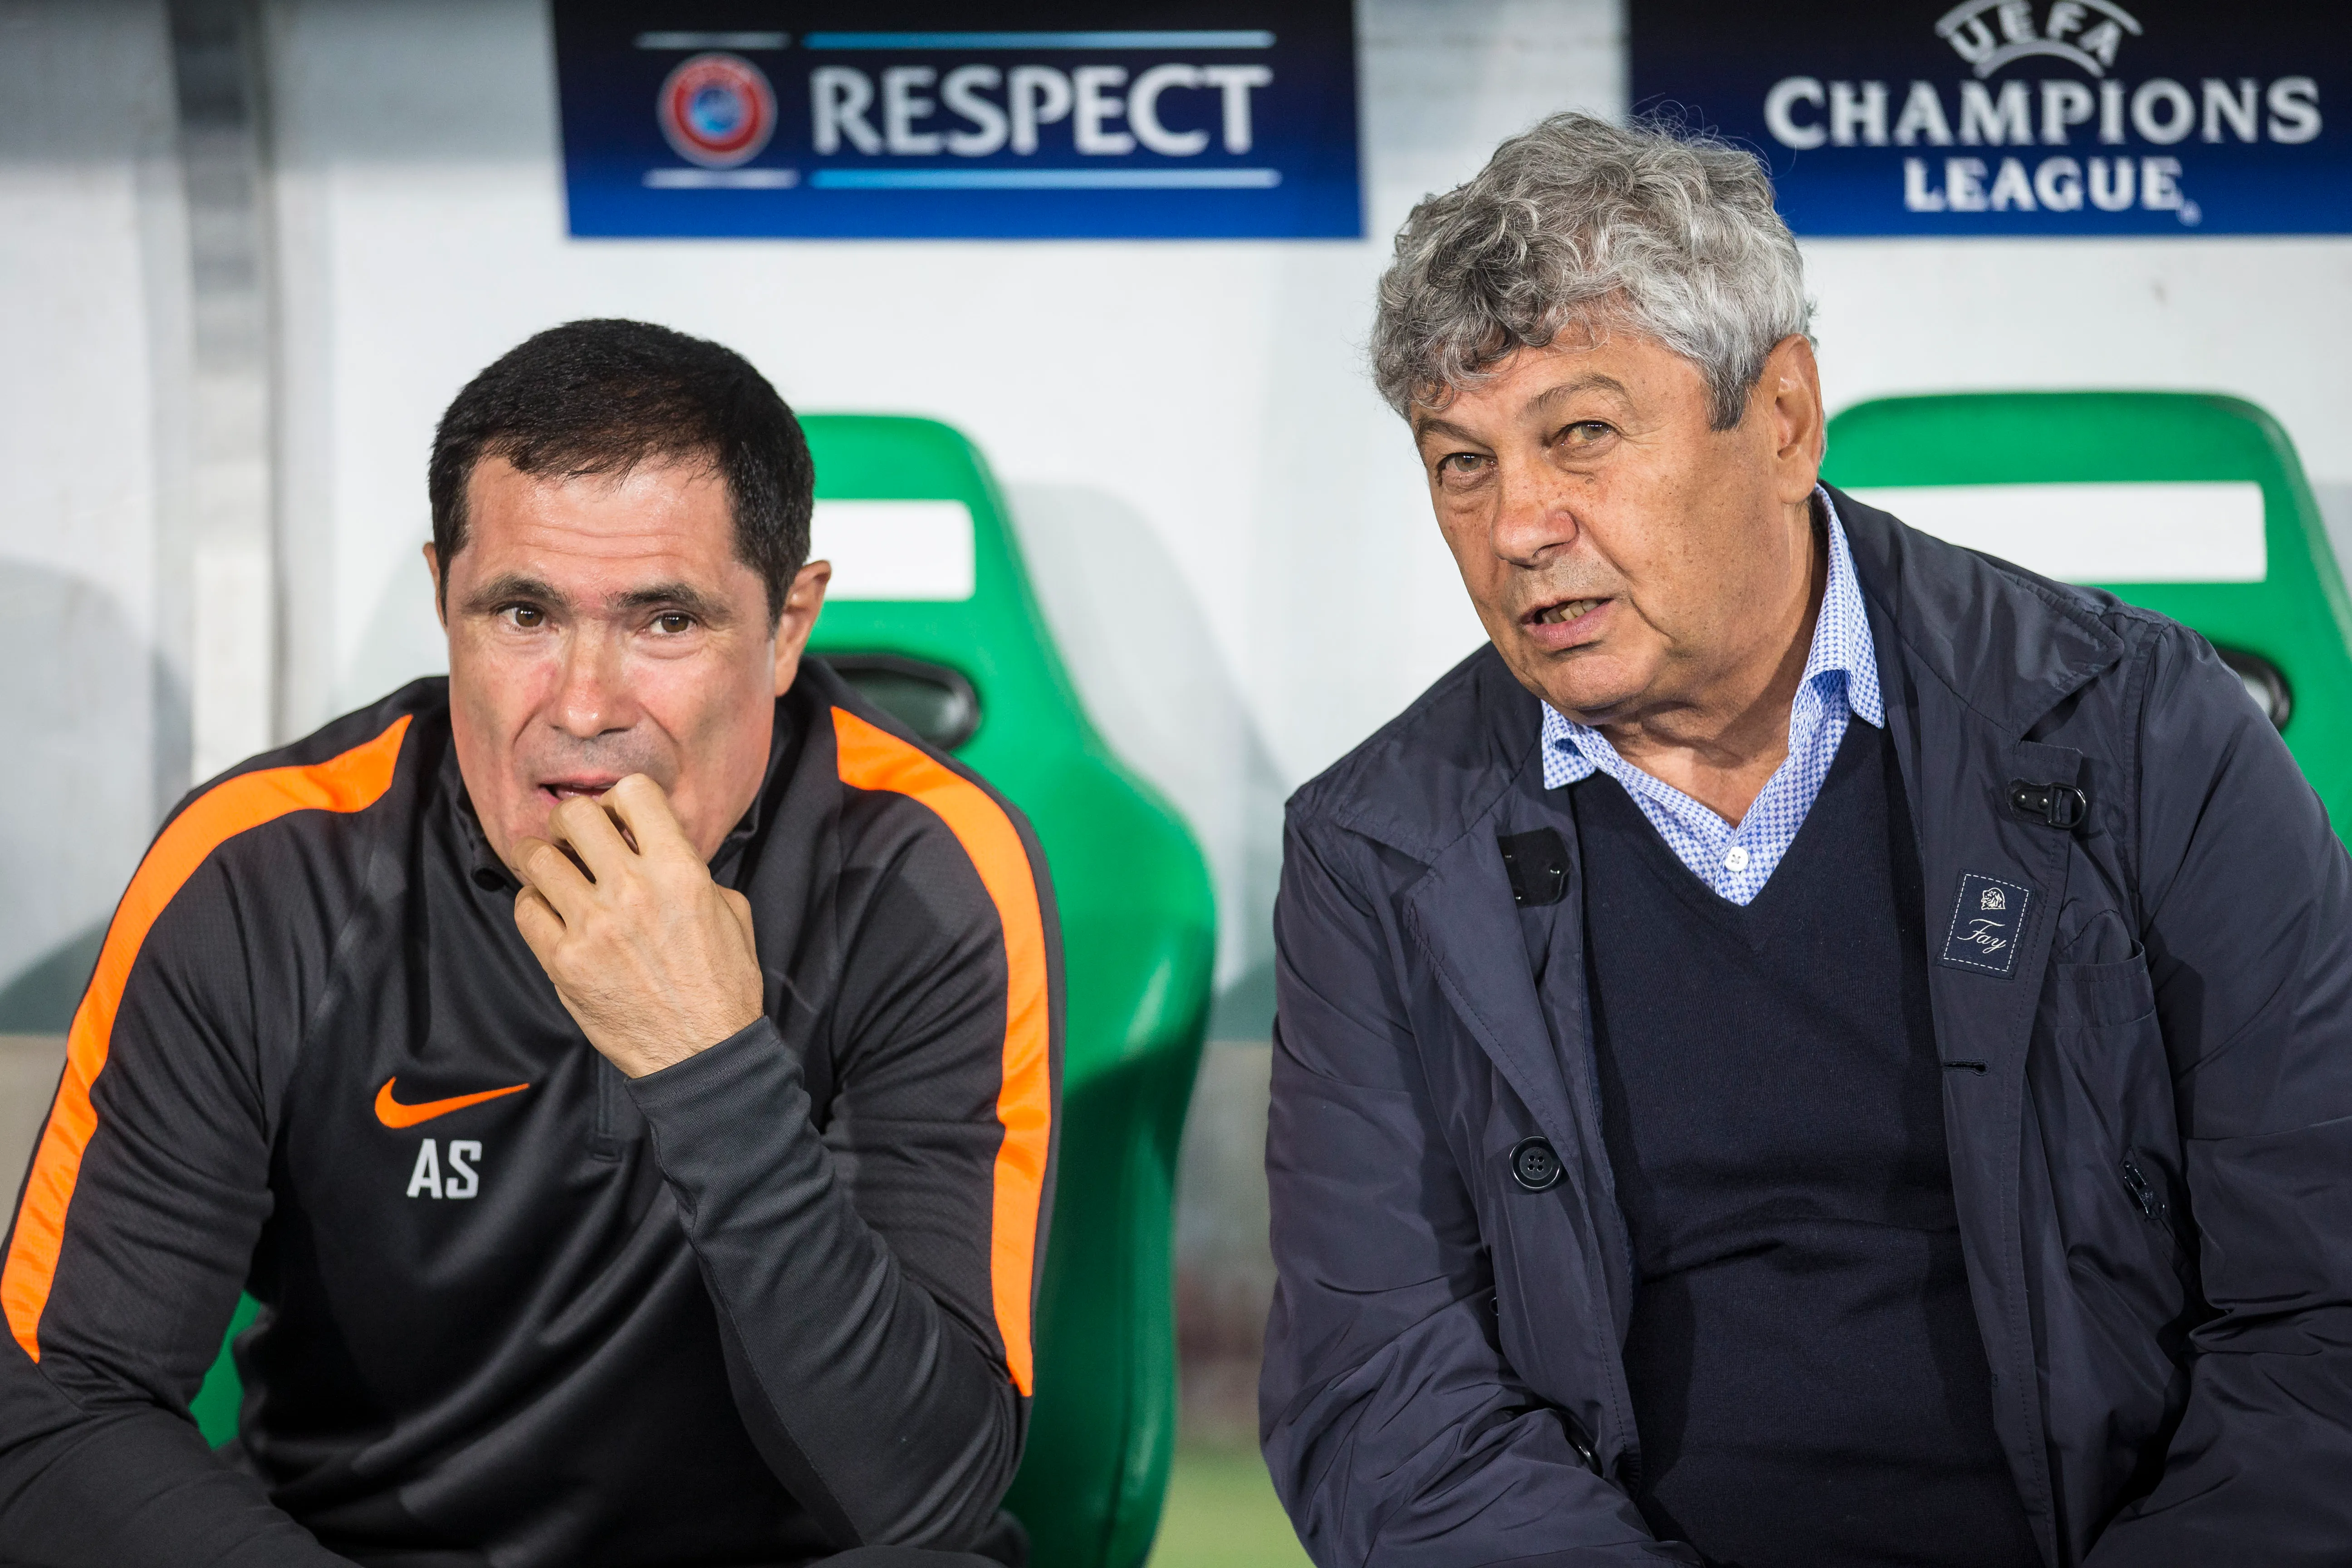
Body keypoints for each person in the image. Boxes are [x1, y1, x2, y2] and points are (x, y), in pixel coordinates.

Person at [1259, 113, 2352, 1568]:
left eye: (1582, 434)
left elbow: (2320, 1314)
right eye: (1461, 464)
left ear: (1781, 420)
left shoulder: (2145, 731)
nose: (1519, 524)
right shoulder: (1375, 848)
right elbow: (1380, 1390)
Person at [0, 320, 1060, 1568]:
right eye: (523, 613)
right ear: (445, 595)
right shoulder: (260, 867)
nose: (586, 705)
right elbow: (55, 1416)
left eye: (665, 621)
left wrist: (712, 1069)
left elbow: (923, 1491)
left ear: (786, 627)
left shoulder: (924, 869)